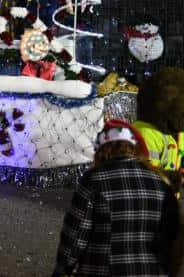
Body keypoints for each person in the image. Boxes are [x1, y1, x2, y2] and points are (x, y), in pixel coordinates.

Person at [53, 119, 179, 277]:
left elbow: (75, 235)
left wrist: (62, 270)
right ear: (136, 148)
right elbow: (172, 237)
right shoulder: (161, 184)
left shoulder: (94, 180)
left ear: (101, 151)